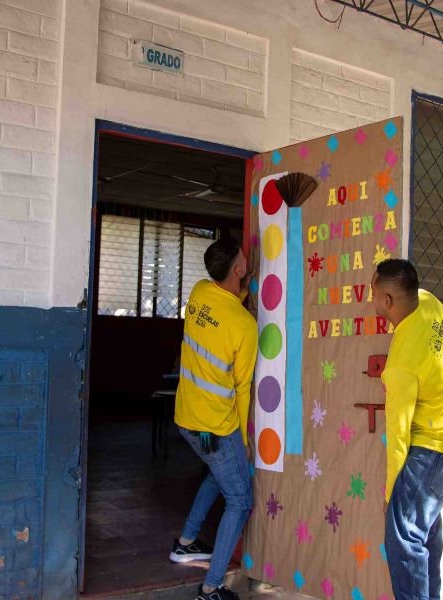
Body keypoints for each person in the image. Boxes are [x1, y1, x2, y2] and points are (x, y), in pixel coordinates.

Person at [371, 259, 443, 600]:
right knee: (424, 529)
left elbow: (397, 437)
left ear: (387, 301)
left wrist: (390, 496)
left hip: (435, 449)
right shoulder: (429, 301)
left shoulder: (400, 364)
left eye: (374, 293)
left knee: (402, 536)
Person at [170, 235, 258, 600]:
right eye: (243, 258)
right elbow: (242, 388)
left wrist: (239, 292)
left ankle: (187, 542)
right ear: (238, 269)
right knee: (240, 499)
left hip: (189, 422)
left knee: (216, 472)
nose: (247, 258)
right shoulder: (244, 325)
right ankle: (212, 587)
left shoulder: (199, 292)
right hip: (217, 428)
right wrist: (244, 441)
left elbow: (220, 311)